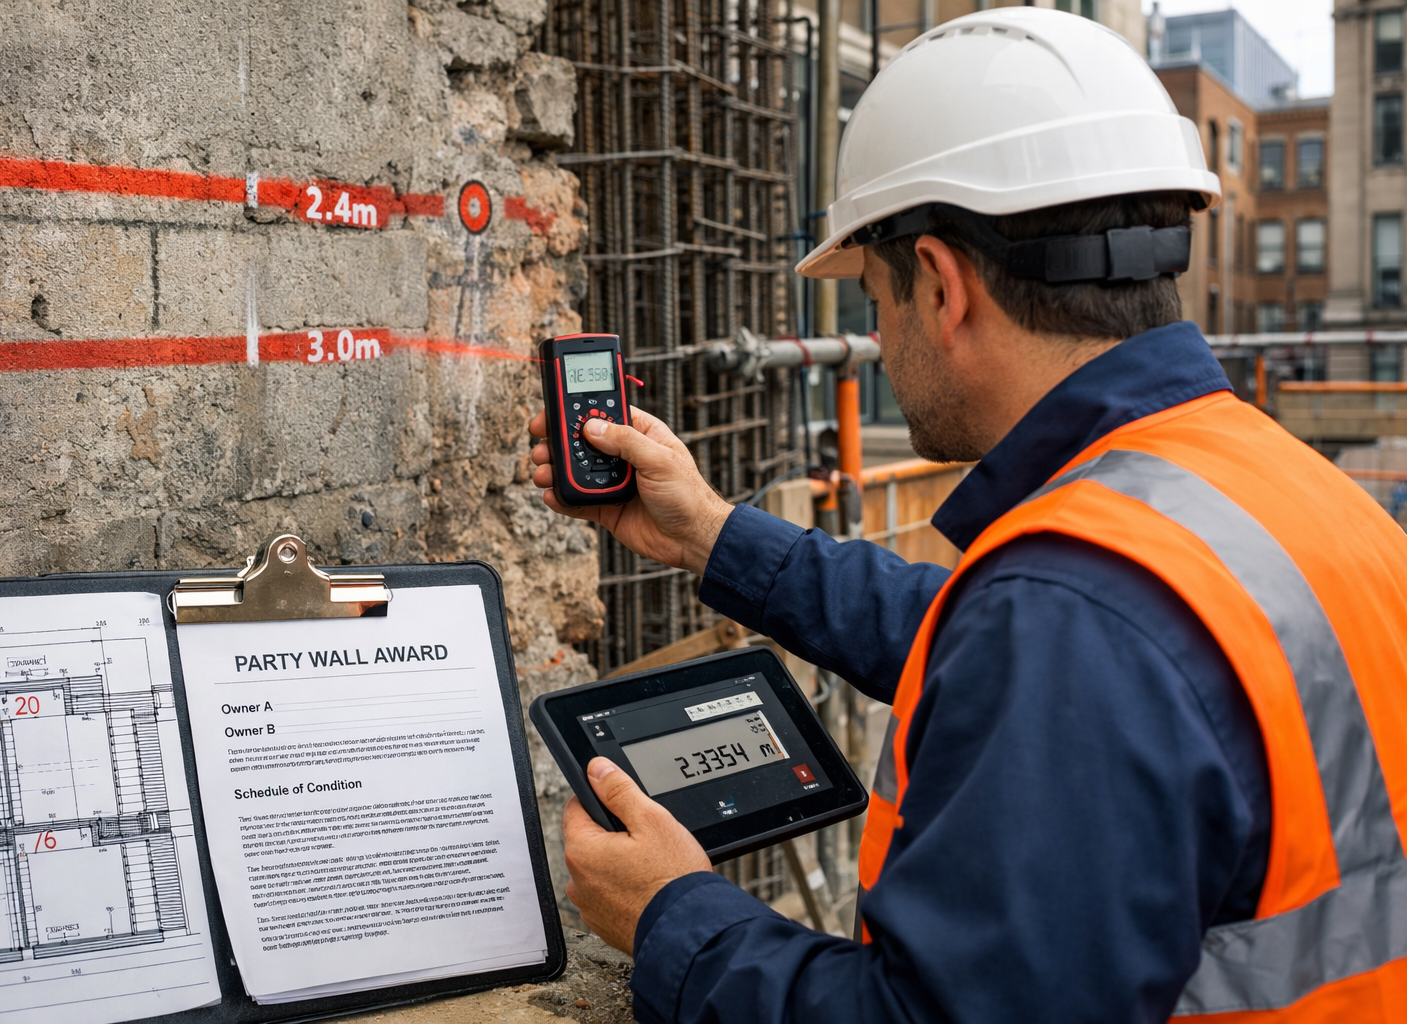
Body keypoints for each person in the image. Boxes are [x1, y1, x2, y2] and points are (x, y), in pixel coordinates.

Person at [529, 8, 1407, 1023]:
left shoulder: (1071, 614)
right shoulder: (1275, 488)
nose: (878, 334)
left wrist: (675, 917)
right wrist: (711, 533)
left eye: (872, 294)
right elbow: (990, 640)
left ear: (941, 284)